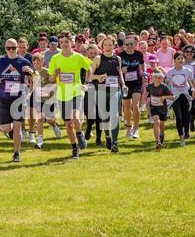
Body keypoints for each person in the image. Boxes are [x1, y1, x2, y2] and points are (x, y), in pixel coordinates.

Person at [48, 31, 93, 160]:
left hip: (76, 91)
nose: (64, 44)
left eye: (66, 42)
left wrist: (87, 83)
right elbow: (51, 78)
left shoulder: (78, 57)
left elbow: (89, 68)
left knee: (75, 117)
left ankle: (79, 134)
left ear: (71, 42)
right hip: (62, 95)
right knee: (68, 125)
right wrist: (55, 75)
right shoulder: (55, 59)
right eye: (61, 42)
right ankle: (75, 147)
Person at [0, 38, 36, 162]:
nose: (11, 50)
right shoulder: (0, 61)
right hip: (4, 99)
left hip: (18, 99)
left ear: (17, 48)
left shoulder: (24, 61)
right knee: (5, 128)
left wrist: (31, 72)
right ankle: (10, 133)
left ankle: (16, 153)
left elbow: (35, 76)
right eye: (8, 48)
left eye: (13, 48)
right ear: (5, 48)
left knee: (17, 127)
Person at [88, 36, 126, 153]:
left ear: (114, 46)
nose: (108, 47)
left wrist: (123, 85)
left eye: (110, 45)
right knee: (105, 117)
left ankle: (114, 143)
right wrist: (98, 77)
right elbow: (89, 76)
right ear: (102, 46)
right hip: (102, 90)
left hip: (116, 90)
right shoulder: (98, 59)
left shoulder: (118, 59)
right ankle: (107, 135)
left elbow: (119, 73)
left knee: (114, 116)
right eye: (106, 45)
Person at [166, 52, 195, 146]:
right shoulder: (170, 72)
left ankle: (186, 133)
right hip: (175, 97)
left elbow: (192, 82)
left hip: (185, 95)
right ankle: (181, 137)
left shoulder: (187, 70)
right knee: (179, 117)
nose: (180, 60)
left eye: (182, 58)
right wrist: (164, 95)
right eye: (178, 59)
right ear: (174, 61)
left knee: (186, 116)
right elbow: (167, 85)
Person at [31, 53, 61, 149]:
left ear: (43, 62)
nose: (36, 65)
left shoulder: (47, 72)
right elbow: (33, 84)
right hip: (39, 99)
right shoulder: (33, 73)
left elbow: (56, 84)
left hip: (49, 99)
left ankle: (55, 127)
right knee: (40, 119)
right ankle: (40, 140)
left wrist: (49, 90)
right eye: (34, 63)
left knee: (49, 119)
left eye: (38, 63)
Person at [119, 35, 145, 139]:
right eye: (127, 44)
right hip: (125, 84)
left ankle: (136, 128)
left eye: (132, 44)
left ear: (135, 44)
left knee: (135, 105)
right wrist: (122, 70)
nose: (129, 46)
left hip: (137, 83)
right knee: (127, 108)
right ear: (124, 45)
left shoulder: (139, 54)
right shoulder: (120, 56)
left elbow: (143, 66)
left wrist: (145, 74)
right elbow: (117, 70)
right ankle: (129, 126)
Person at [144, 69, 174, 149]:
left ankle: (162, 134)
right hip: (153, 107)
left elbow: (172, 97)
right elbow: (146, 93)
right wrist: (144, 102)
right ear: (152, 78)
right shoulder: (150, 86)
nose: (157, 79)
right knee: (156, 122)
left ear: (162, 78)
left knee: (162, 124)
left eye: (159, 78)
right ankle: (158, 142)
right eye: (155, 77)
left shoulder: (164, 87)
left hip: (163, 108)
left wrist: (164, 97)